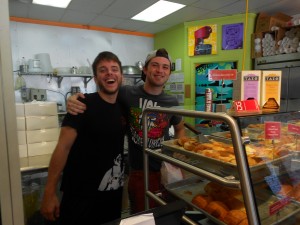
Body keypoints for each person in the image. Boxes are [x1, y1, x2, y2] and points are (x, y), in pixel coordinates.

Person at [67, 48, 185, 214]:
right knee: (143, 218)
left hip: (167, 169)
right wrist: (73, 99)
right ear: (145, 69)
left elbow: (180, 129)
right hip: (140, 172)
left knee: (170, 215)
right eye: (155, 65)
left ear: (169, 73)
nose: (160, 70)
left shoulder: (172, 101)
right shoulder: (126, 93)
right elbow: (102, 97)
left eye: (165, 67)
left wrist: (177, 153)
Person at [40, 51, 127, 225]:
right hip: (81, 197)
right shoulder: (82, 105)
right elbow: (62, 148)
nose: (109, 73)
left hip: (112, 195)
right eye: (103, 70)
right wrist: (49, 193)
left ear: (121, 76)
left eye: (114, 69)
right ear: (95, 79)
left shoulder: (124, 105)